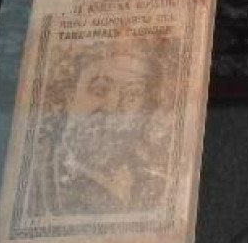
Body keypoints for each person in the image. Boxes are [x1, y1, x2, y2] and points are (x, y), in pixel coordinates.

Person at [37, 52, 170, 216]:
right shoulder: (42, 176)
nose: (113, 108)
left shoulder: (153, 180)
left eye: (132, 95)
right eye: (99, 90)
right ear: (70, 98)